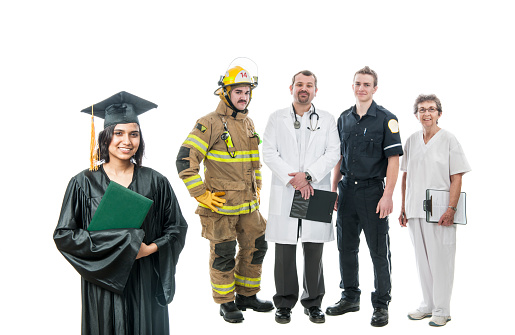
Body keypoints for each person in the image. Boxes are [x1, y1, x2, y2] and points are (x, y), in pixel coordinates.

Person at [54, 91, 188, 335]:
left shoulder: (156, 181)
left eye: (134, 134)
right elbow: (64, 235)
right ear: (105, 137)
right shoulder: (83, 183)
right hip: (103, 281)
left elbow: (176, 227)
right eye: (119, 133)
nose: (127, 141)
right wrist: (120, 244)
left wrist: (149, 249)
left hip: (144, 278)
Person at [176, 64, 273, 323]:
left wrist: (258, 186)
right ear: (224, 93)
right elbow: (185, 160)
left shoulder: (248, 122)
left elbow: (254, 161)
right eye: (238, 91)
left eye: (247, 92)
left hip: (248, 204)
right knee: (224, 253)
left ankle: (247, 295)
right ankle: (226, 302)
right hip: (220, 207)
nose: (244, 96)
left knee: (257, 245)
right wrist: (200, 194)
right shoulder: (208, 123)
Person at [326, 66, 403, 327]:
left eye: (367, 84)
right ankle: (350, 297)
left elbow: (394, 160)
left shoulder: (386, 118)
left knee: (379, 251)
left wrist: (388, 195)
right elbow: (339, 157)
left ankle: (381, 304)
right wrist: (334, 188)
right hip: (347, 190)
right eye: (358, 83)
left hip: (373, 192)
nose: (362, 88)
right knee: (345, 247)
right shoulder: (343, 119)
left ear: (375, 89)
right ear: (353, 86)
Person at [262, 70, 340, 324]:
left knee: (313, 249)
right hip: (287, 189)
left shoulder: (327, 120)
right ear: (291, 88)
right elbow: (269, 153)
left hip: (315, 189)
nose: (303, 88)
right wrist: (294, 179)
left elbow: (333, 153)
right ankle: (284, 303)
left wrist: (307, 176)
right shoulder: (276, 118)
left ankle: (313, 302)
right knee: (284, 249)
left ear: (316, 90)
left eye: (309, 85)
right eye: (299, 84)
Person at [399, 94, 470, 327]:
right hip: (415, 209)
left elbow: (456, 176)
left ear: (439, 113)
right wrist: (403, 207)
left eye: (431, 109)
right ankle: (428, 304)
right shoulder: (411, 141)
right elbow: (405, 176)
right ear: (416, 114)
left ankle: (442, 309)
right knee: (422, 261)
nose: (426, 113)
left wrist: (451, 208)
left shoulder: (449, 139)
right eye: (422, 109)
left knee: (442, 261)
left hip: (440, 212)